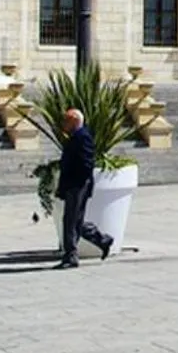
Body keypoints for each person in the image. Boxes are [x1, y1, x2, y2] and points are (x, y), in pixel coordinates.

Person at [56, 107, 113, 269]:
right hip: (73, 184)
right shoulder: (75, 136)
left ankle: (71, 255)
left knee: (70, 220)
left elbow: (87, 163)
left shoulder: (82, 137)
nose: (63, 124)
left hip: (77, 185)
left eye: (66, 120)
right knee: (76, 221)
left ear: (74, 120)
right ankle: (102, 239)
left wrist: (77, 183)